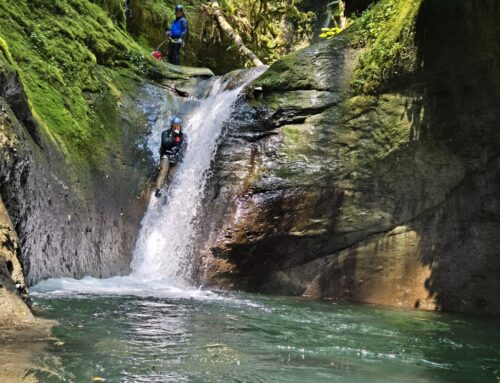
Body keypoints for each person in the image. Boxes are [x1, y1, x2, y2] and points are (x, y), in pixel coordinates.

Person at [155, 116, 187, 197]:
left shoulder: (183, 136)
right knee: (164, 170)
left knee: (171, 175)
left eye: (178, 126)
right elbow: (166, 143)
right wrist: (174, 137)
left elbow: (184, 148)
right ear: (171, 126)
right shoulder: (166, 133)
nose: (177, 127)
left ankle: (169, 193)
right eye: (175, 126)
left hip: (175, 157)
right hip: (166, 154)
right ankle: (158, 190)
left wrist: (179, 157)